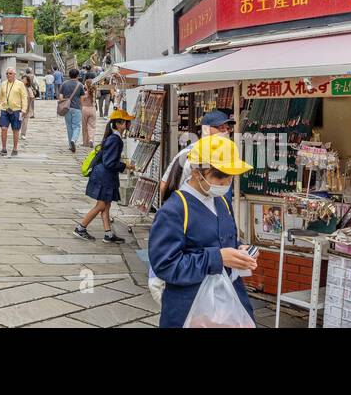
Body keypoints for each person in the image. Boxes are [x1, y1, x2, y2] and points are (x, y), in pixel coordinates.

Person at [147, 134, 256, 327]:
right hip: (190, 307)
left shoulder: (221, 200)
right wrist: (218, 258)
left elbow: (223, 241)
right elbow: (165, 265)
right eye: (220, 176)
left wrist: (239, 251)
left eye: (230, 177)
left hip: (228, 300)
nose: (226, 183)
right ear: (197, 173)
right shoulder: (174, 210)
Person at [75, 107, 135, 243]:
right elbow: (109, 162)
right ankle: (81, 227)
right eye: (126, 122)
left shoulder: (113, 137)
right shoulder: (115, 139)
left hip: (104, 176)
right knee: (101, 205)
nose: (128, 125)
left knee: (106, 205)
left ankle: (108, 233)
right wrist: (125, 166)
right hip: (104, 177)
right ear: (119, 124)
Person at [159, 110, 235, 202]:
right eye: (221, 128)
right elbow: (165, 185)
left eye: (228, 128)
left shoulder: (225, 154)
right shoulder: (190, 154)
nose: (226, 132)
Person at [0, 66, 28, 157]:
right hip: (5, 110)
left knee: (15, 130)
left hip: (16, 110)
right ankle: (4, 149)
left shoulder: (20, 84)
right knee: (3, 128)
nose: (8, 75)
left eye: (10, 73)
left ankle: (15, 148)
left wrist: (24, 109)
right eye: (7, 73)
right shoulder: (3, 84)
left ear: (14, 74)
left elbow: (24, 97)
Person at [59, 68, 85, 153]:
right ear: (77, 75)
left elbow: (60, 97)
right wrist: (82, 108)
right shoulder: (80, 85)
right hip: (77, 108)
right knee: (76, 126)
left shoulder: (64, 84)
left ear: (69, 75)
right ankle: (74, 139)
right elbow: (82, 99)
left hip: (66, 108)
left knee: (69, 126)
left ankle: (71, 145)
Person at [80, 79, 98, 148]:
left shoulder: (85, 93)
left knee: (84, 127)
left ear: (86, 85)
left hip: (85, 109)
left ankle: (85, 142)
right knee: (92, 126)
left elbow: (81, 100)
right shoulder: (95, 92)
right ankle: (91, 140)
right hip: (92, 109)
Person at [21, 70, 37, 141]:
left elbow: (32, 97)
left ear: (27, 81)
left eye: (24, 79)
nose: (23, 80)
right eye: (22, 79)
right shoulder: (18, 87)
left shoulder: (29, 88)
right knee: (18, 121)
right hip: (18, 107)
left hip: (26, 107)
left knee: (25, 121)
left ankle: (23, 134)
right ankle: (17, 132)